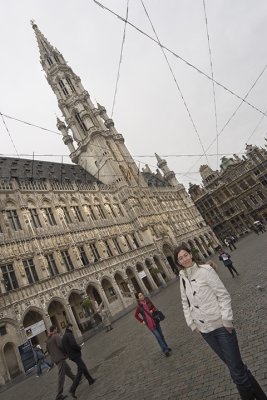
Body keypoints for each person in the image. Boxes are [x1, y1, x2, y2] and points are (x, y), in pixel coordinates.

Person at [174, 243, 267, 400]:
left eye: (185, 255)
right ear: (178, 262)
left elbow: (223, 295)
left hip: (221, 327)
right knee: (237, 368)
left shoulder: (206, 271)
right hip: (206, 331)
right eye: (180, 258)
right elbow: (185, 302)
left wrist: (227, 320)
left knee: (237, 374)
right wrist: (191, 323)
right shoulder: (182, 279)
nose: (184, 259)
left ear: (191, 254)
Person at [62, 323, 95, 399]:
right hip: (75, 355)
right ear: (69, 327)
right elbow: (73, 344)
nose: (72, 329)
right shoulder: (69, 335)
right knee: (80, 370)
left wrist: (69, 354)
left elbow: (64, 348)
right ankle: (72, 389)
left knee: (83, 367)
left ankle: (90, 380)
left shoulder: (64, 337)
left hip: (72, 356)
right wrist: (79, 347)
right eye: (72, 327)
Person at [134, 292, 171, 357]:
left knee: (161, 335)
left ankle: (166, 347)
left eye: (141, 295)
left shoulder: (147, 300)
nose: (141, 296)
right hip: (149, 324)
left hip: (155, 320)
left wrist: (152, 310)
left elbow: (154, 307)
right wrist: (142, 321)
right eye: (139, 296)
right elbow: (136, 315)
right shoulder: (139, 307)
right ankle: (165, 350)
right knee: (158, 336)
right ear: (138, 298)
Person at [46, 325, 76, 400]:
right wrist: (66, 352)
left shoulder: (48, 339)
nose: (57, 330)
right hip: (60, 358)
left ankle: (76, 379)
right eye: (56, 329)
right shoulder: (55, 336)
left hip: (55, 359)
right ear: (55, 330)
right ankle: (59, 395)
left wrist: (53, 358)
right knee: (61, 376)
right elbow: (61, 345)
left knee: (68, 369)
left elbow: (48, 351)